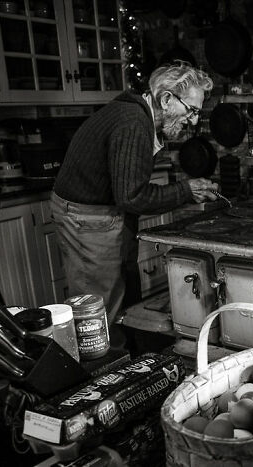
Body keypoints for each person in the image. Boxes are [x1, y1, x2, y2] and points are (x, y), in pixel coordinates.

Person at [51, 61, 219, 327]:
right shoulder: (133, 124)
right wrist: (186, 190)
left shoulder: (139, 115)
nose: (195, 121)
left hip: (106, 211)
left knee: (122, 295)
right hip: (87, 217)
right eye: (192, 110)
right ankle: (97, 365)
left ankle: (123, 357)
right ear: (166, 99)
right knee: (97, 310)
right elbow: (132, 196)